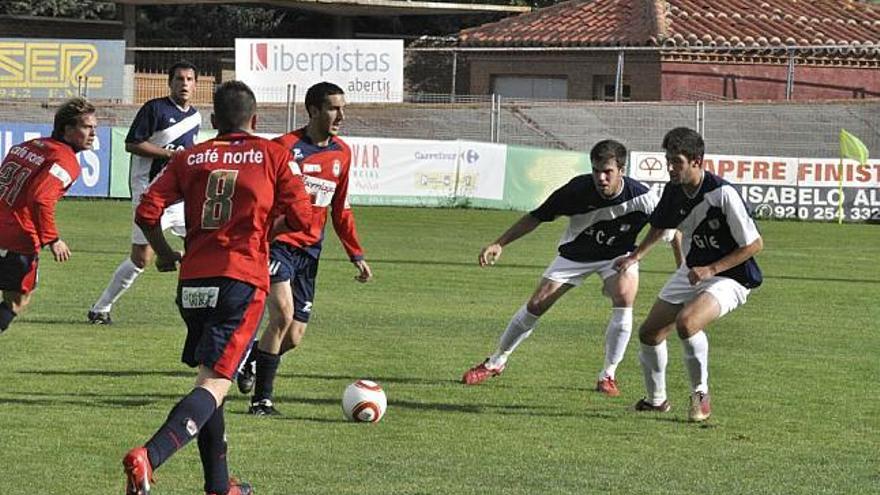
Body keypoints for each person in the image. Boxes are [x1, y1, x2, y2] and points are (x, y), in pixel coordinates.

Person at [122, 81, 312, 495]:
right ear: (255, 119)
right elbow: (303, 219)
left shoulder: (190, 157)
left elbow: (147, 211)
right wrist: (264, 232)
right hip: (239, 280)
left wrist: (167, 253)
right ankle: (149, 457)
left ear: (212, 121)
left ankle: (219, 486)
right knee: (214, 383)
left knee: (213, 379)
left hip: (192, 283)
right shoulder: (273, 155)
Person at [461, 139, 681, 396]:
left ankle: (608, 375)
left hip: (618, 256)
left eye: (607, 171)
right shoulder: (576, 190)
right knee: (536, 304)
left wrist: (681, 266)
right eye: (596, 170)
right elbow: (537, 216)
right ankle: (496, 361)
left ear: (622, 170)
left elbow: (671, 228)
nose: (601, 177)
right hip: (576, 254)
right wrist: (500, 243)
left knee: (624, 296)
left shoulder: (642, 197)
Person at [237, 81, 373, 416]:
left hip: (310, 252)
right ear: (313, 110)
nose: (340, 115)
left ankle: (249, 360)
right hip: (279, 245)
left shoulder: (342, 152)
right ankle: (262, 400)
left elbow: (340, 209)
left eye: (343, 108)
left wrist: (355, 254)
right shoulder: (283, 147)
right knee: (281, 315)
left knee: (294, 336)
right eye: (333, 108)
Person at [614, 127, 763, 422]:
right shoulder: (673, 190)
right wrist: (635, 256)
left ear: (697, 160)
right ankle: (657, 400)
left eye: (676, 161)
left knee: (686, 322)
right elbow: (660, 226)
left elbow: (754, 244)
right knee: (650, 332)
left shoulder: (722, 194)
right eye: (668, 160)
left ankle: (700, 394)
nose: (670, 167)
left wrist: (712, 269)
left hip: (732, 276)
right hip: (694, 270)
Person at [88, 61, 201, 324]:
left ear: (195, 84)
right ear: (169, 82)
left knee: (203, 243)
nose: (184, 84)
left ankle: (200, 306)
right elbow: (132, 144)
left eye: (189, 79)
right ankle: (100, 308)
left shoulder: (195, 116)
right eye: (179, 79)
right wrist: (170, 155)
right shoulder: (154, 109)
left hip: (181, 198)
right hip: (149, 193)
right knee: (141, 258)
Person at [0, 97, 96, 334]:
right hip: (17, 238)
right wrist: (53, 239)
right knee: (17, 301)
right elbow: (40, 198)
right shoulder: (65, 160)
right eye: (87, 127)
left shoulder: (26, 146)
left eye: (95, 127)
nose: (93, 133)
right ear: (67, 129)